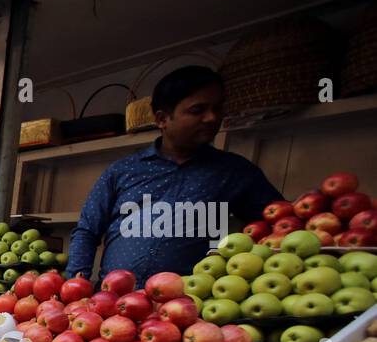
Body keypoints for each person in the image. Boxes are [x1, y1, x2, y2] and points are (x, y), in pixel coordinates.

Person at [67, 66, 284, 282]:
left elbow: (280, 225)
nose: (211, 118)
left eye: (217, 109)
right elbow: (87, 230)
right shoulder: (123, 171)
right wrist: (76, 285)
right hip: (112, 303)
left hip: (190, 306)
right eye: (197, 110)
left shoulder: (236, 173)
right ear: (162, 119)